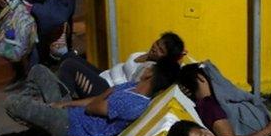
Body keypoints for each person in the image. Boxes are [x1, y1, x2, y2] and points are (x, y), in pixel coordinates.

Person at [3, 59, 180, 136]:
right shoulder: (133, 86)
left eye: (150, 68)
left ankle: (41, 123)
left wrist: (109, 92)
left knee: (12, 103)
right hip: (71, 113)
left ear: (150, 75)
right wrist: (65, 105)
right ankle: (39, 122)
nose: (146, 68)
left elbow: (92, 106)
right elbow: (97, 99)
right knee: (38, 70)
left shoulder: (133, 104)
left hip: (71, 127)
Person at [57, 32, 185, 99]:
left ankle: (62, 103)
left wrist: (178, 60)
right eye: (157, 44)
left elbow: (134, 88)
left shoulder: (150, 68)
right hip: (104, 75)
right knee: (69, 56)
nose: (155, 48)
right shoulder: (144, 54)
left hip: (106, 89)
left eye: (161, 51)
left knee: (70, 66)